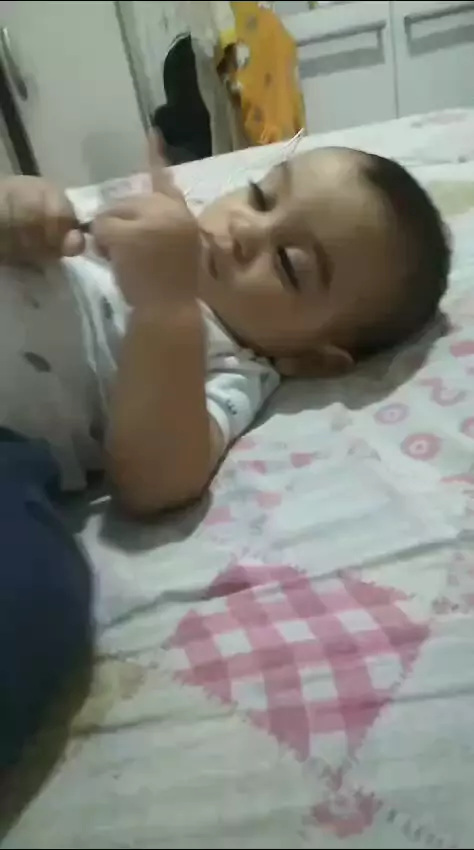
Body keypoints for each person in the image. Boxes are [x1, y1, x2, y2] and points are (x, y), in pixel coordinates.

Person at [0, 140, 450, 516]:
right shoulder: (156, 219)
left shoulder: (236, 370)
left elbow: (153, 483)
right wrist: (27, 204)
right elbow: (52, 220)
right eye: (260, 197)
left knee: (44, 584)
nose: (245, 228)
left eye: (288, 264)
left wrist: (167, 307)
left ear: (311, 359)